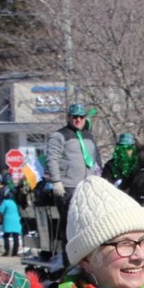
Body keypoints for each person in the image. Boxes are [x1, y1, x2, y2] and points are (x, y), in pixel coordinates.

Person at [45, 103, 101, 256]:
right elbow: (52, 159)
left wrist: (99, 179)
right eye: (74, 117)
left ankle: (88, 255)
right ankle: (67, 258)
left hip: (88, 185)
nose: (78, 120)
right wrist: (56, 181)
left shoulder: (89, 136)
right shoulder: (59, 136)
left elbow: (96, 159)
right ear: (69, 118)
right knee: (70, 223)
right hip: (68, 185)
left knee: (89, 221)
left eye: (81, 117)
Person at [0, 186, 22, 257]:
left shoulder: (5, 202)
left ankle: (7, 251)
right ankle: (15, 252)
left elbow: (0, 210)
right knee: (16, 236)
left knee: (6, 236)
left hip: (8, 220)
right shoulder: (15, 203)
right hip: (16, 220)